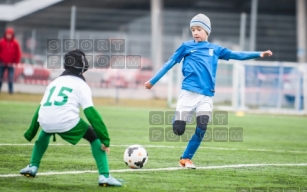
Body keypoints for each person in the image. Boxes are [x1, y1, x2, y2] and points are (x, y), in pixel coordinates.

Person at [144, 14, 273, 169]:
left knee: (202, 126)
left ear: (207, 31)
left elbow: (237, 55)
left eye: (199, 29)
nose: (195, 32)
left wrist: (259, 54)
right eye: (193, 29)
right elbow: (169, 63)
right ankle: (178, 119)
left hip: (206, 96)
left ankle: (186, 159)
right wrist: (153, 81)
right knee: (178, 130)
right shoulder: (186, 47)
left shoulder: (215, 49)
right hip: (188, 94)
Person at [20, 49, 124, 187]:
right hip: (66, 122)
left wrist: (30, 132)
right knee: (94, 136)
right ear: (82, 65)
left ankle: (33, 166)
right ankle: (105, 176)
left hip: (45, 120)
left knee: (46, 130)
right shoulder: (81, 85)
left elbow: (40, 109)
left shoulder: (54, 82)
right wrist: (104, 137)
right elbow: (91, 113)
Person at [0, 28, 21, 94]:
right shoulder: (1, 42)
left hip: (11, 63)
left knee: (11, 77)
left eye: (10, 34)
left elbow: (18, 53)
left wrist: (16, 62)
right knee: (0, 76)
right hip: (2, 62)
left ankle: (10, 90)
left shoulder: (15, 43)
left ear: (12, 35)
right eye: (7, 34)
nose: (8, 36)